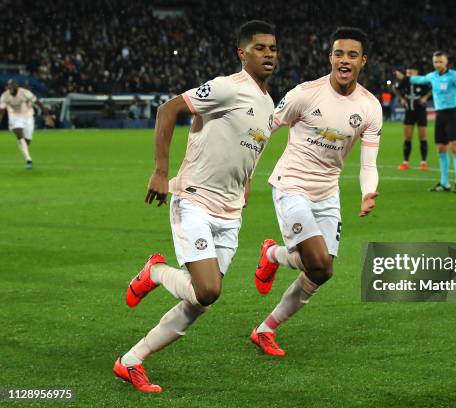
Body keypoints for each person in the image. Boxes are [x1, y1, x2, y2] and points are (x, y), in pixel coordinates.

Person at [113, 20, 277, 392]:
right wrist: (160, 171)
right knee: (207, 290)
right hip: (194, 199)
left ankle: (131, 361)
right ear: (243, 53)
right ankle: (154, 272)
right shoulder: (225, 87)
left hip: (230, 211)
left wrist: (246, 184)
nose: (269, 54)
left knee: (200, 301)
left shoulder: (268, 105)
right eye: (260, 48)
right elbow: (168, 110)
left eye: (273, 48)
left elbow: (250, 147)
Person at [251, 27, 382, 356]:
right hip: (291, 184)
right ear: (330, 58)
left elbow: (368, 164)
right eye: (339, 53)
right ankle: (273, 256)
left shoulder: (369, 107)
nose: (344, 60)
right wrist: (244, 174)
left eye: (352, 55)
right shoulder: (305, 94)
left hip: (328, 192)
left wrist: (369, 191)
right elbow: (264, 129)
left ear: (362, 61)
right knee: (317, 258)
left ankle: (266, 327)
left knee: (322, 270)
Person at [410, 51, 456, 193]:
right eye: (435, 62)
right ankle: (444, 183)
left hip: (453, 113)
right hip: (440, 115)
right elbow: (419, 79)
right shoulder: (432, 76)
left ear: (446, 62)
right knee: (441, 149)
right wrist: (406, 78)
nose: (438, 64)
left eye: (440, 62)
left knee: (455, 147)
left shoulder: (454, 76)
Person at [0, 79, 48, 169]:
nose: (10, 89)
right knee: (19, 134)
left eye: (12, 87)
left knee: (27, 141)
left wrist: (45, 112)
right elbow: (1, 111)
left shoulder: (25, 92)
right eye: (9, 87)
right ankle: (28, 160)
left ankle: (24, 149)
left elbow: (36, 101)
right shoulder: (4, 96)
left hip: (28, 117)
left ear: (16, 87)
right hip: (14, 117)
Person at [393, 68, 431, 170]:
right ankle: (405, 162)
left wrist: (426, 97)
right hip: (409, 112)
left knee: (422, 138)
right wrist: (401, 98)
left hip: (421, 112)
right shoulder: (405, 82)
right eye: (407, 73)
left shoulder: (422, 82)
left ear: (416, 73)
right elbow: (394, 88)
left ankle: (423, 162)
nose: (408, 74)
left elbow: (432, 89)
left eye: (411, 72)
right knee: (407, 138)